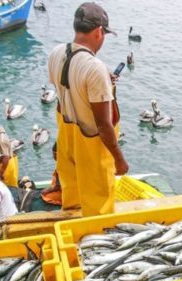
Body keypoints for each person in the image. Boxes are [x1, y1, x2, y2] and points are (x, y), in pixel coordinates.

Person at [48, 2, 129, 216]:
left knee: (72, 197)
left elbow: (63, 91)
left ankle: (73, 230)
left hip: (67, 140)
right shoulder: (95, 68)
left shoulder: (56, 53)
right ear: (99, 31)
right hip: (91, 148)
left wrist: (103, 85)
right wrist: (119, 159)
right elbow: (103, 124)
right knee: (99, 206)